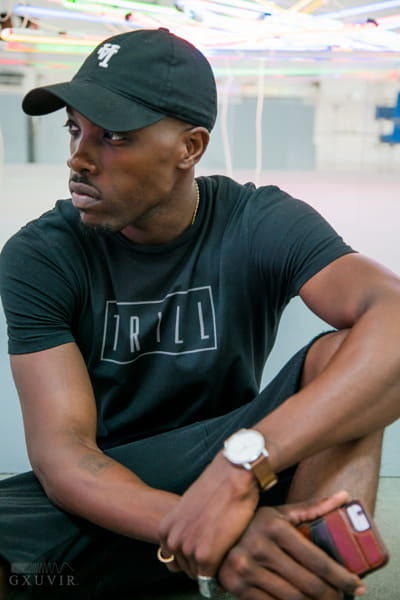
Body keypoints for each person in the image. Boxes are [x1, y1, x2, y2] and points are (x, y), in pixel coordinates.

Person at [0, 27, 399, 600]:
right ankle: (253, 557)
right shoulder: (41, 254)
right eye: (74, 128)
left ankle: (304, 579)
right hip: (110, 490)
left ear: (189, 148)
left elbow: (394, 317)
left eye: (112, 136)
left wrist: (240, 471)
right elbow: (66, 455)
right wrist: (206, 527)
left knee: (349, 354)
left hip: (243, 465)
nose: (79, 158)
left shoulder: (259, 221)